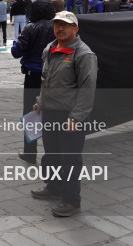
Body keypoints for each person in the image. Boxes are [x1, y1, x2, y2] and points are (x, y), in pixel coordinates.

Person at [30, 11, 97, 217]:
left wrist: (76, 118)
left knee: (70, 159)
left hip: (70, 116)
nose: (60, 28)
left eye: (65, 25)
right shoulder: (50, 49)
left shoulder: (84, 54)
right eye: (57, 24)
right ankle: (54, 187)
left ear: (75, 29)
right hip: (50, 112)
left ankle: (71, 201)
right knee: (52, 155)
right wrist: (41, 101)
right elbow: (46, 79)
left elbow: (87, 89)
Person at [11, 0, 55, 164]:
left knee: (31, 115)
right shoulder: (56, 27)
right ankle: (52, 152)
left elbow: (16, 52)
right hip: (53, 77)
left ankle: (30, 153)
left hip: (33, 77)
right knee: (51, 114)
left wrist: (17, 41)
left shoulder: (30, 28)